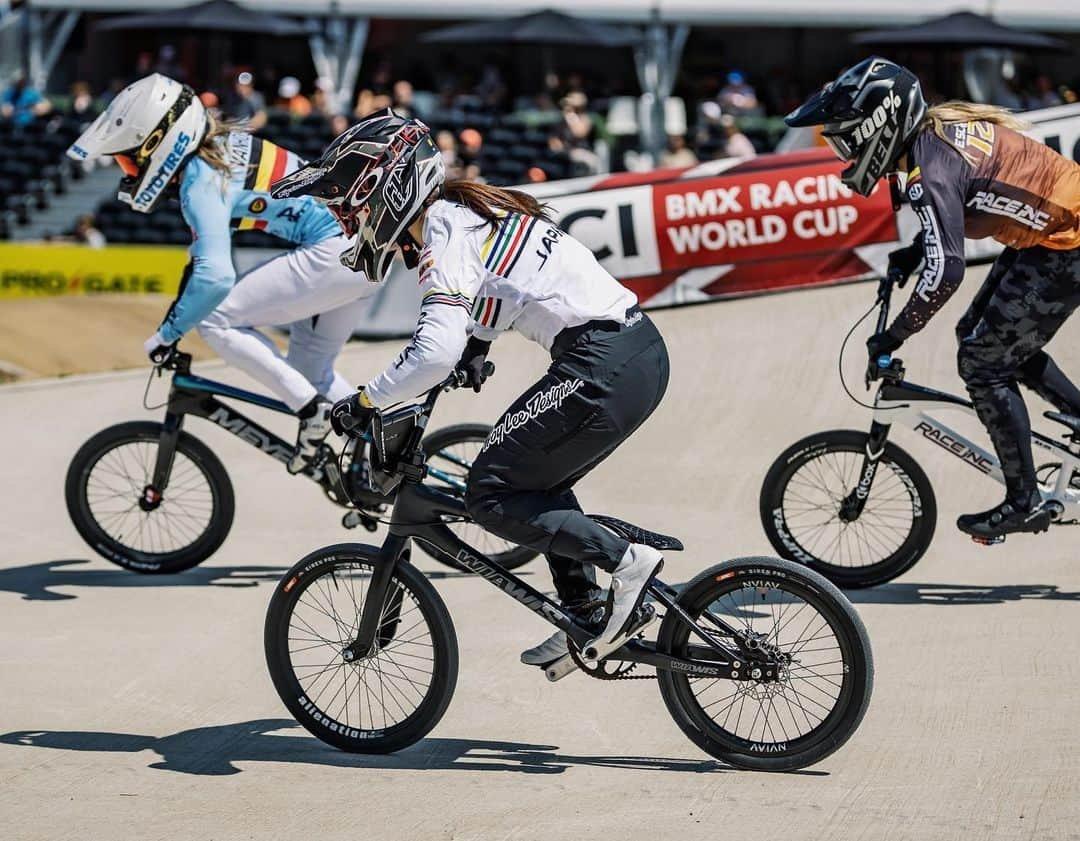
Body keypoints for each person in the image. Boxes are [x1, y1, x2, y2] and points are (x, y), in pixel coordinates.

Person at [271, 109, 671, 666]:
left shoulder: (441, 229)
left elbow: (432, 353)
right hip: (632, 352)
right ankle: (586, 610)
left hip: (603, 363)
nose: (343, 221)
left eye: (347, 206)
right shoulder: (462, 211)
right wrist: (479, 345)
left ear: (385, 191)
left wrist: (364, 402)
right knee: (534, 482)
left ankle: (627, 562)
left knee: (489, 494)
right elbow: (501, 288)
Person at [787, 57, 1080, 541]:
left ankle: (1024, 500)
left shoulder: (928, 167)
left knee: (982, 363)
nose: (844, 156)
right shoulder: (930, 140)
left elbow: (947, 270)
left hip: (1066, 242)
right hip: (1053, 236)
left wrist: (894, 334)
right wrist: (912, 253)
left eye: (845, 140)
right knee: (981, 337)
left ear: (878, 126)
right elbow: (955, 225)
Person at [66, 74, 381, 472]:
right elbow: (199, 256)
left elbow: (215, 278)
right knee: (309, 370)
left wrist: (166, 336)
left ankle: (311, 411)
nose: (127, 172)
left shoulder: (201, 179)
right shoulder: (218, 152)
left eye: (129, 160)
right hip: (363, 249)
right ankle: (381, 453)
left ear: (158, 143)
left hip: (336, 250)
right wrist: (173, 319)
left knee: (216, 319)